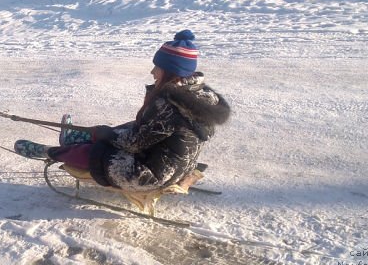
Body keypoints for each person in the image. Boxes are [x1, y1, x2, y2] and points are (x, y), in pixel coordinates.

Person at [14, 30, 231, 192]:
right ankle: (77, 137)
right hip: (176, 165)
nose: (153, 72)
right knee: (127, 129)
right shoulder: (199, 96)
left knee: (100, 153)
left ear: (172, 73)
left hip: (152, 175)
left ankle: (49, 152)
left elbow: (134, 143)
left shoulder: (169, 106)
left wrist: (104, 134)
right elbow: (146, 132)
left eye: (158, 68)